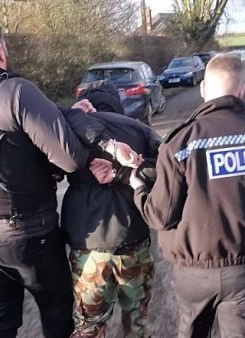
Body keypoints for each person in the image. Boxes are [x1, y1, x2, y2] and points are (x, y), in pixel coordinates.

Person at [0, 15, 137, 338]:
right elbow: (69, 159)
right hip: (27, 234)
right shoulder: (14, 91)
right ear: (0, 49)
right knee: (57, 312)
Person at [127, 54, 245, 337]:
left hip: (193, 275)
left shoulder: (182, 143)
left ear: (204, 89)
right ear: (241, 90)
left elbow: (159, 215)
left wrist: (139, 189)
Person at [60, 80, 160, 338]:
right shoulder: (138, 128)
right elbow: (168, 168)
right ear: (117, 102)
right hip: (133, 240)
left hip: (88, 246)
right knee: (137, 319)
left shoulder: (68, 129)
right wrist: (127, 172)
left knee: (89, 325)